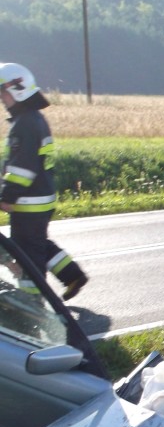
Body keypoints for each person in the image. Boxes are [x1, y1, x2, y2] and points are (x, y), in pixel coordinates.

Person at [0, 62, 88, 300]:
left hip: (28, 202)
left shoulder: (24, 125)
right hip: (41, 198)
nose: (0, 98)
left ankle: (33, 304)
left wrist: (7, 197)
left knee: (27, 254)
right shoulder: (34, 119)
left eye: (2, 92)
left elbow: (22, 168)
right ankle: (72, 275)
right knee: (37, 243)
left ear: (15, 90)